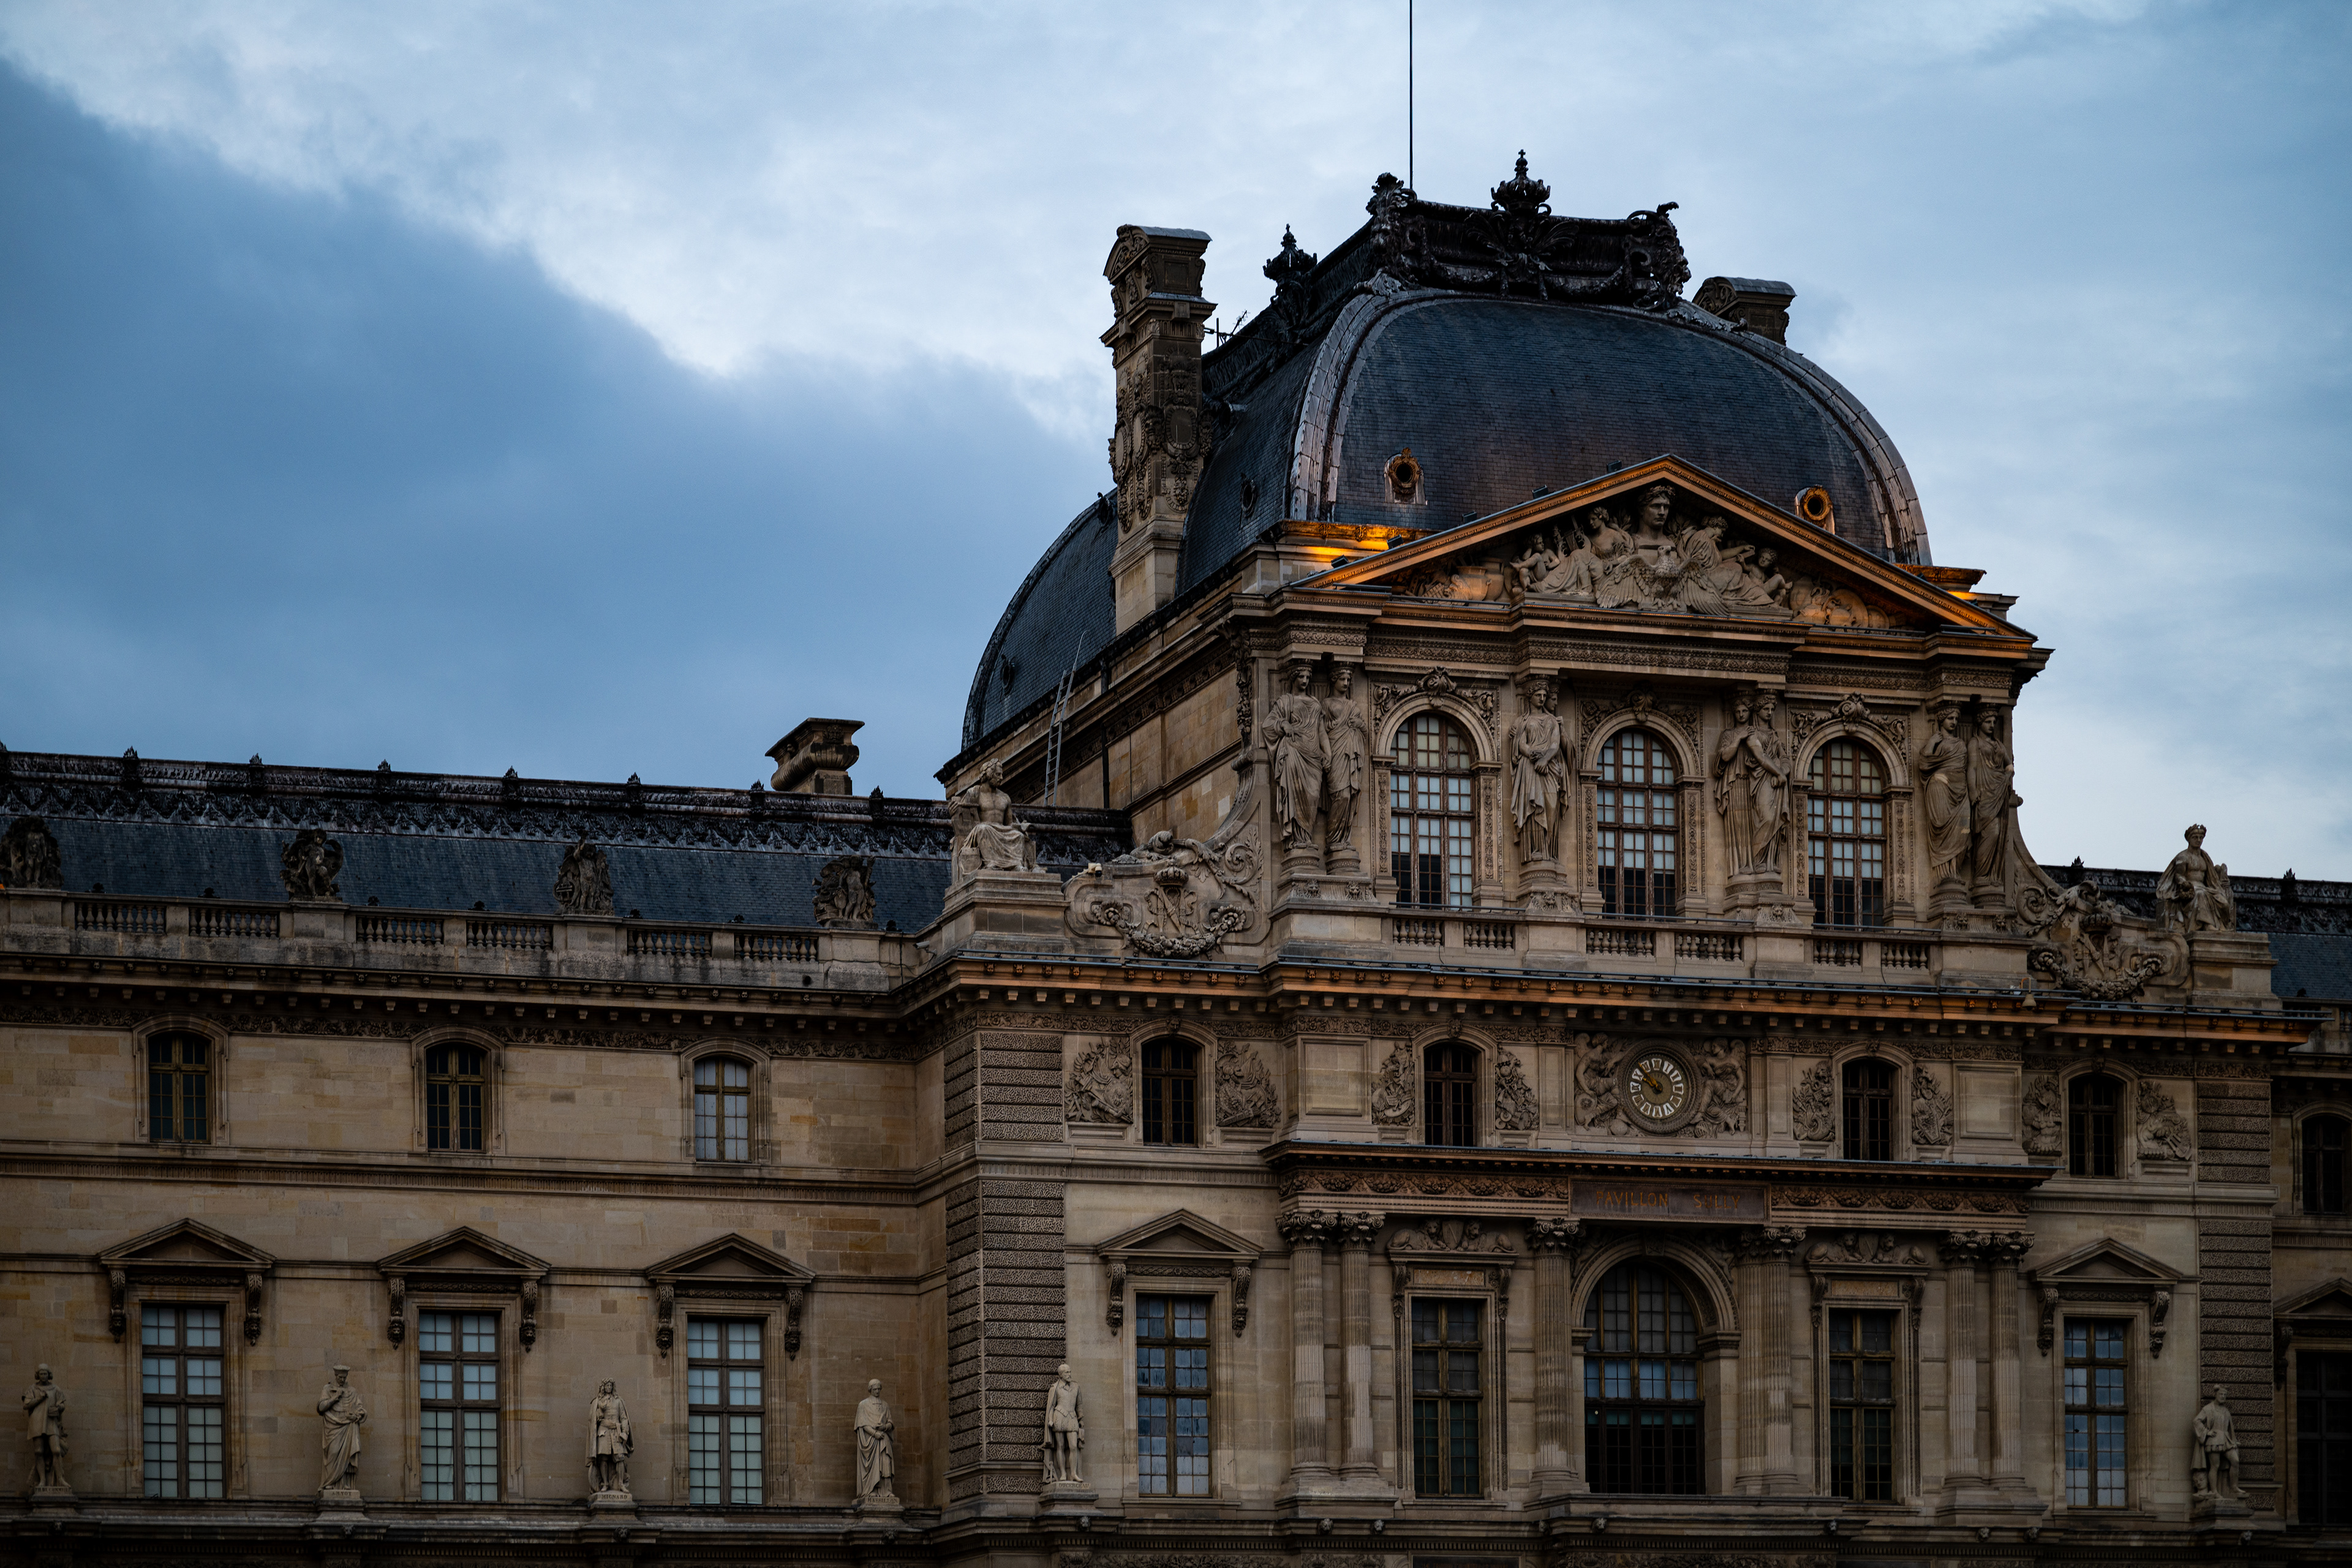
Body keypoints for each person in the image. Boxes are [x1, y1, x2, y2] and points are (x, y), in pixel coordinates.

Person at [1261, 664, 1327, 853]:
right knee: (1296, 794)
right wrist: (1284, 724)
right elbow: (1268, 724)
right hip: (1293, 753)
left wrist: (1327, 754)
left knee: (1313, 795)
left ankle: (1306, 835)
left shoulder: (1315, 703)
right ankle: (1299, 838)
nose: (1305, 681)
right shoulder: (1285, 702)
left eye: (1308, 677)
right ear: (1294, 678)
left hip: (1313, 756)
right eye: (1302, 677)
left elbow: (1321, 731)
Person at [1508, 681, 1568, 863]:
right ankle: (1536, 850)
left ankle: (1548, 851)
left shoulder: (1552, 721)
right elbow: (1520, 743)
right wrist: (1531, 754)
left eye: (1544, 696)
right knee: (1533, 808)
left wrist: (1545, 759)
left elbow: (1555, 744)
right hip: (1529, 768)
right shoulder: (1522, 721)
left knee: (1551, 807)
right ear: (1530, 697)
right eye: (1538, 695)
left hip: (1548, 768)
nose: (1542, 699)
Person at [1917, 707, 1971, 897]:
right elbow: (1924, 763)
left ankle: (1955, 870)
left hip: (1961, 792)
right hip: (1940, 789)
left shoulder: (1961, 744)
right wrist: (1932, 742)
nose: (1954, 722)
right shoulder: (1936, 742)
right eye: (1950, 718)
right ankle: (1944, 874)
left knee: (1963, 832)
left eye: (1956, 718)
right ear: (1941, 720)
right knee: (1941, 829)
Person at [952, 760, 1036, 876]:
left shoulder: (1005, 798)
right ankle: (990, 863)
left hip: (1002, 830)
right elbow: (962, 815)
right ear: (989, 775)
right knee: (983, 829)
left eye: (1001, 774)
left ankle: (1016, 865)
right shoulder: (974, 793)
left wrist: (1021, 827)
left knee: (1018, 836)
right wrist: (953, 812)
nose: (1001, 777)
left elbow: (1009, 824)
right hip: (984, 829)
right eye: (998, 774)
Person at [2157, 824, 2237, 934]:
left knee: (2223, 902)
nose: (2199, 840)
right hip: (2190, 890)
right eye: (2195, 837)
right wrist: (2184, 883)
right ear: (2189, 839)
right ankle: (2208, 925)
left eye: (2201, 838)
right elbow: (2178, 876)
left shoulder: (2204, 857)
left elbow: (2211, 877)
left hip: (2205, 889)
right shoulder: (2183, 857)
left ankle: (2222, 926)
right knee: (2201, 895)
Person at [317, 1365, 366, 1494]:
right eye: (340, 1377)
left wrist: (357, 1415)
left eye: (344, 1378)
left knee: (347, 1456)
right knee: (333, 1453)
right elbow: (321, 1407)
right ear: (336, 1376)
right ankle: (330, 1483)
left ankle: (345, 1485)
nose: (342, 1380)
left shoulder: (352, 1391)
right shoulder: (328, 1389)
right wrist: (334, 1398)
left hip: (348, 1426)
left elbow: (360, 1409)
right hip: (333, 1427)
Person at [23, 1365, 67, 1491]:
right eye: (41, 1374)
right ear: (38, 1375)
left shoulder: (55, 1389)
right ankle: (42, 1480)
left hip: (51, 1422)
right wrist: (39, 1399)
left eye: (45, 1374)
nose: (43, 1376)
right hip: (37, 1422)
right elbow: (26, 1405)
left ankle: (60, 1479)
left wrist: (58, 1408)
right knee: (39, 1452)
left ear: (49, 1375)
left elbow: (62, 1404)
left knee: (56, 1450)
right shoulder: (32, 1388)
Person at [854, 1379, 896, 1502]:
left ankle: (887, 1491)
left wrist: (884, 1427)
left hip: (884, 1439)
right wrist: (874, 1433)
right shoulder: (863, 1405)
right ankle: (871, 1490)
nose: (877, 1391)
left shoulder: (885, 1405)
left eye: (879, 1389)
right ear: (870, 1390)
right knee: (873, 1465)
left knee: (885, 1463)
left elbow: (890, 1423)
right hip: (871, 1441)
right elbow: (861, 1424)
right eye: (875, 1389)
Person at [1041, 1363, 1084, 1483]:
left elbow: (1079, 1405)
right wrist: (1050, 1420)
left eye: (1070, 1372)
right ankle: (1063, 1474)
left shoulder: (1076, 1387)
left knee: (1073, 1447)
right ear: (1061, 1375)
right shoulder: (1055, 1388)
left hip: (1072, 1417)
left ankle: (1074, 1474)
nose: (1069, 1375)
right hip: (1059, 1417)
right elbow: (1051, 1406)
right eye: (1067, 1373)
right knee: (1060, 1447)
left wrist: (1081, 1419)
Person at [2193, 1385, 2239, 1498]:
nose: (2223, 1397)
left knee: (2235, 1461)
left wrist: (2234, 1441)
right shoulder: (2208, 1409)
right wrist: (2206, 1432)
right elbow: (2196, 1421)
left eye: (2225, 1395)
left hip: (2226, 1439)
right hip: (2214, 1440)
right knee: (2215, 1466)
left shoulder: (2226, 1411)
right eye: (2221, 1394)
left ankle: (2234, 1487)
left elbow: (2230, 1428)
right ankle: (2214, 1491)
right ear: (2216, 1395)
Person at [588, 1380, 632, 1494]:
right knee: (603, 1457)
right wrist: (599, 1412)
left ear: (613, 1387)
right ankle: (605, 1484)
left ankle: (621, 1484)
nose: (609, 1387)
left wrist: (625, 1432)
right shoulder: (599, 1401)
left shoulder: (619, 1401)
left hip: (616, 1432)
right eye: (607, 1385)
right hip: (603, 1431)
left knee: (620, 1457)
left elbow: (623, 1418)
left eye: (610, 1385)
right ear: (603, 1387)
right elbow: (593, 1419)